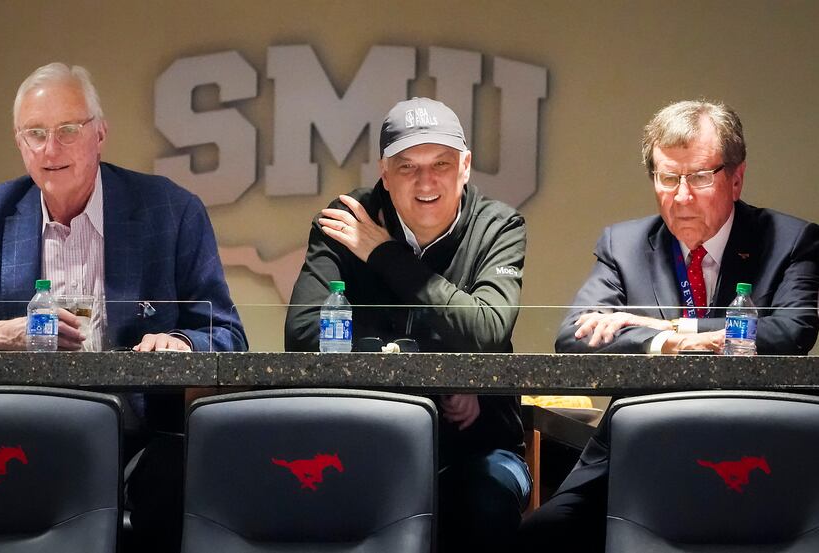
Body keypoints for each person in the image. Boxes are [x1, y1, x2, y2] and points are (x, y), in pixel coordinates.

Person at [516, 99, 819, 551]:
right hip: (643, 444)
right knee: (542, 536)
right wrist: (665, 342)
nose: (680, 196)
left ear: (736, 178)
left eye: (698, 177)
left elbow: (791, 333)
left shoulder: (791, 241)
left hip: (752, 446)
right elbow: (574, 334)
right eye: (667, 177)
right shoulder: (626, 244)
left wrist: (676, 329)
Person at [0, 62, 247, 552]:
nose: (51, 148)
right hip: (18, 430)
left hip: (140, 436)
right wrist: (1, 334)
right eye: (35, 134)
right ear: (19, 142)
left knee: (183, 481)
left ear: (100, 134)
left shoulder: (170, 212)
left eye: (68, 130)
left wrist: (180, 343)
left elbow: (227, 334)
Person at [285, 97, 530, 552]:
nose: (426, 181)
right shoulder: (347, 221)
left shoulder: (498, 225)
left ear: (466, 166)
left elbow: (488, 328)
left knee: (486, 506)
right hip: (363, 441)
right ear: (383, 171)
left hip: (476, 447)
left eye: (441, 163)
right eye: (407, 166)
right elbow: (303, 333)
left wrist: (385, 256)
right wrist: (437, 380)